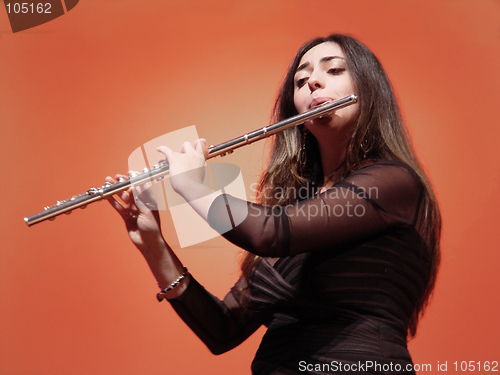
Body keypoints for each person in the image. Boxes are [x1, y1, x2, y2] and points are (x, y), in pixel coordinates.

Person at [106, 34, 441, 374]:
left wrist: (191, 186)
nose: (312, 80)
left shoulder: (394, 183)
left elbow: (268, 234)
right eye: (300, 79)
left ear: (369, 90)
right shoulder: (298, 211)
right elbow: (222, 330)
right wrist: (152, 243)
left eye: (335, 69)